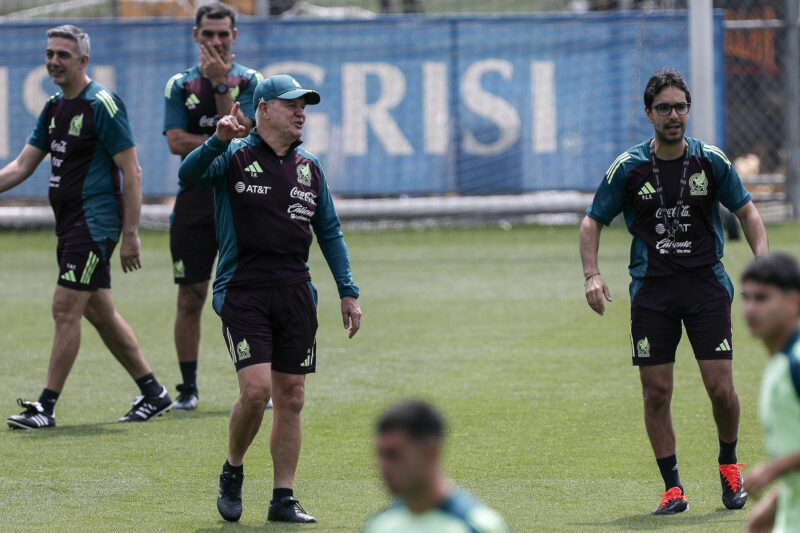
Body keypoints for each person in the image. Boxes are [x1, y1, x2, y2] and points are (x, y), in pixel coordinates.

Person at [579, 68, 769, 515]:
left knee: (720, 389)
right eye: (663, 108)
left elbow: (747, 212)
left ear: (688, 111)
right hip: (653, 293)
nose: (673, 115)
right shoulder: (628, 168)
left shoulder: (710, 161)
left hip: (705, 287)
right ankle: (673, 489)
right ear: (648, 113)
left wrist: (763, 266)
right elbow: (592, 221)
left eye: (680, 107)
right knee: (656, 392)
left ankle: (729, 465)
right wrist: (592, 274)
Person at [178, 74, 361, 523]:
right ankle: (233, 469)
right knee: (258, 390)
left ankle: (283, 498)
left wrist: (348, 292)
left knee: (292, 396)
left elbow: (330, 232)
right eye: (291, 104)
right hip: (243, 291)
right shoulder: (233, 155)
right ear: (263, 109)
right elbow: (188, 174)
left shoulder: (310, 167)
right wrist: (217, 140)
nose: (301, 112)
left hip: (295, 293)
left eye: (305, 106)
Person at [1, 25, 171, 429]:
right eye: (50, 54)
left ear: (83, 60)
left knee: (65, 308)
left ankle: (45, 407)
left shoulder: (103, 105)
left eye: (63, 54)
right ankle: (154, 392)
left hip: (95, 224)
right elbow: (21, 166)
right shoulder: (54, 107)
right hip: (69, 224)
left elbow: (133, 171)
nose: (54, 61)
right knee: (98, 310)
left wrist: (131, 235)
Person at [163, 2, 262, 410]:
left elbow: (243, 139)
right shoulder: (179, 84)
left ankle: (259, 384)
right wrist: (220, 139)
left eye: (223, 34)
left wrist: (221, 87)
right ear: (195, 35)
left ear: (234, 35)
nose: (216, 41)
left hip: (244, 198)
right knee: (191, 295)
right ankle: (188, 390)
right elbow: (174, 142)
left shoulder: (250, 81)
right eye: (208, 34)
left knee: (251, 293)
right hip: (194, 201)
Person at [363, 401, 510, 533]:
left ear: (431, 452)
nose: (384, 467)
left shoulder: (477, 527)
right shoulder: (377, 526)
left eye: (394, 455)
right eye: (381, 455)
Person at [740, 253, 800, 533]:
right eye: (747, 298)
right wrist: (775, 504)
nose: (750, 309)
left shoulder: (796, 362)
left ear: (794, 302)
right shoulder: (778, 365)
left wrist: (773, 468)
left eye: (762, 298)